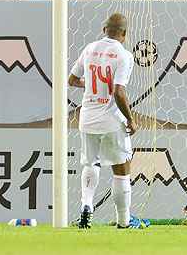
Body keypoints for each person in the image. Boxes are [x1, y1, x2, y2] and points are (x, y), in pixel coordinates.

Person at [68, 13, 141, 229]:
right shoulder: (124, 55)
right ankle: (123, 221)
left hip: (87, 117)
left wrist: (91, 85)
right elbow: (118, 92)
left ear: (103, 29)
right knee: (121, 168)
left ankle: (86, 206)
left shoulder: (90, 48)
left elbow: (72, 80)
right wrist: (130, 119)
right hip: (110, 119)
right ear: (124, 34)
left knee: (90, 163)